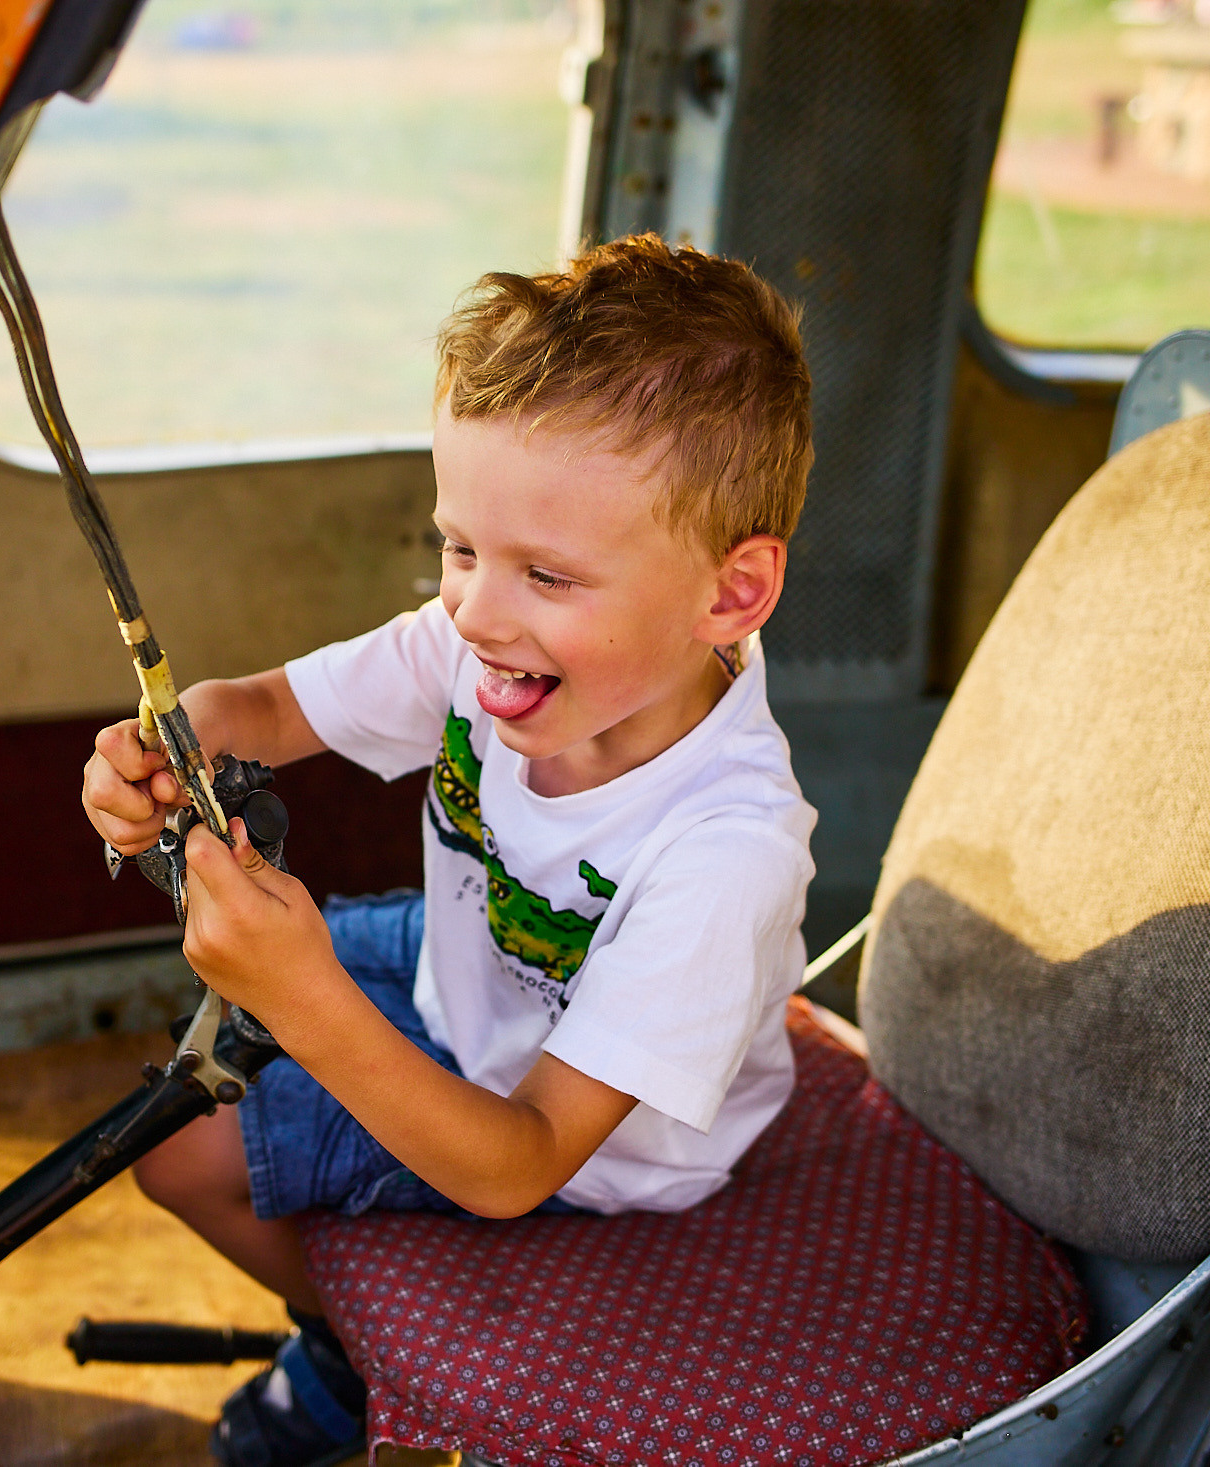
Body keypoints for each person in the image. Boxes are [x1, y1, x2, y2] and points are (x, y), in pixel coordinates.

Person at [80, 233, 817, 1467]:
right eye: (460, 547)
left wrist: (305, 998)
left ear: (729, 597)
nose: (473, 611)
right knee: (216, 1015)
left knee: (178, 1155)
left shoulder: (726, 853)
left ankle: (345, 1362)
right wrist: (174, 739)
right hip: (467, 967)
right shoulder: (505, 648)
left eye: (547, 574)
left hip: (583, 1148)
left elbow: (516, 1164)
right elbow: (267, 709)